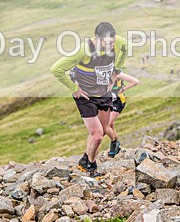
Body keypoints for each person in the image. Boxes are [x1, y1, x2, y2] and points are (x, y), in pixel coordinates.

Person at [50, 22, 128, 177]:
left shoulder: (118, 42)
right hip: (85, 96)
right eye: (107, 44)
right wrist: (74, 89)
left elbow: (124, 49)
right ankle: (91, 166)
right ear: (97, 39)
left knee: (103, 131)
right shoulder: (83, 50)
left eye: (112, 42)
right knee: (97, 135)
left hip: (104, 93)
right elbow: (56, 69)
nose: (112, 46)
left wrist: (116, 72)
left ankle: (85, 159)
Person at [104, 70, 140, 157]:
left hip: (118, 101)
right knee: (111, 125)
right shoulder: (103, 71)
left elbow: (135, 81)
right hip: (108, 100)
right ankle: (117, 144)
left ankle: (114, 143)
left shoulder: (118, 73)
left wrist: (123, 89)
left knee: (106, 125)